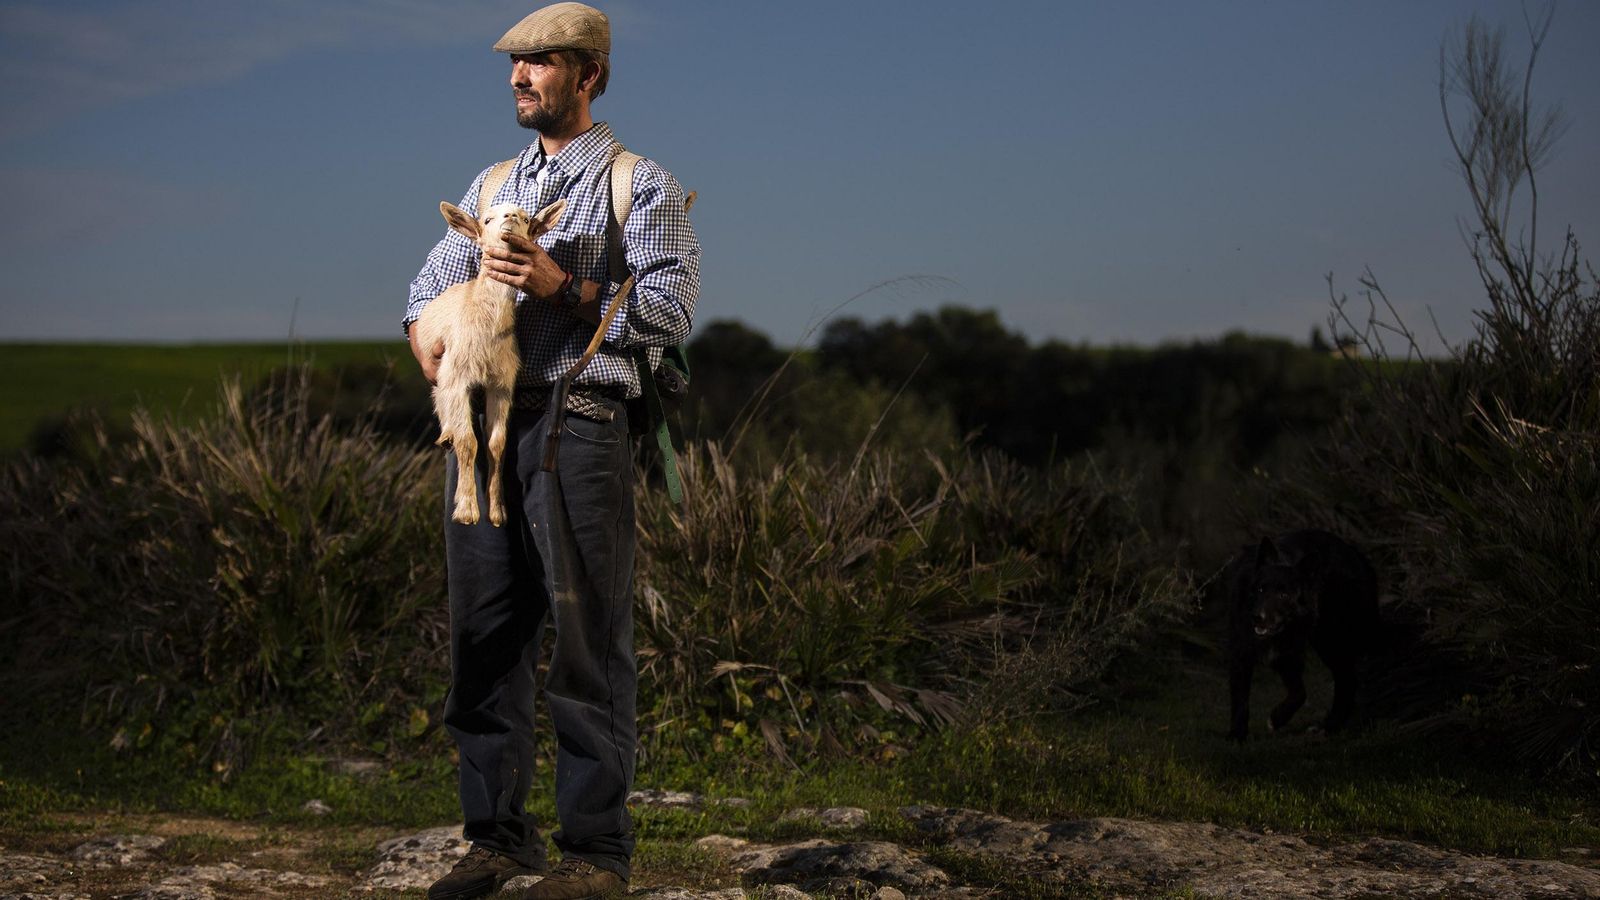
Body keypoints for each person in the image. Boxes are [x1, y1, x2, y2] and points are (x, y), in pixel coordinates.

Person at [401, 4, 700, 898]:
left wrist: (566, 285)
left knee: (585, 636)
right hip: (484, 431)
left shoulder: (633, 183)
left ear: (589, 75)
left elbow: (672, 311)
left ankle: (594, 855)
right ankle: (496, 838)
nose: (517, 77)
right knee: (482, 631)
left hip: (581, 425)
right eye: (515, 64)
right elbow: (429, 281)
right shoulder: (492, 184)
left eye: (538, 62)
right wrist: (426, 332)